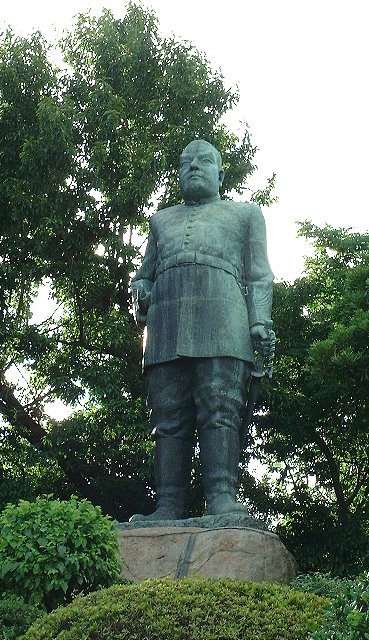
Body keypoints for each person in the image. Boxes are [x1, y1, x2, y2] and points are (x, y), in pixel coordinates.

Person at [130, 139, 273, 520]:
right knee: (167, 418)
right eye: (185, 163)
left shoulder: (245, 214)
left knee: (220, 408)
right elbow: (144, 277)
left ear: (221, 173)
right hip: (165, 325)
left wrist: (259, 321)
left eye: (204, 161)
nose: (193, 167)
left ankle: (222, 496)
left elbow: (259, 276)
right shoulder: (161, 220)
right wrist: (140, 291)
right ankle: (168, 504)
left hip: (224, 320)